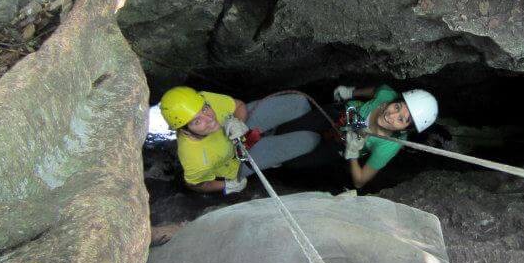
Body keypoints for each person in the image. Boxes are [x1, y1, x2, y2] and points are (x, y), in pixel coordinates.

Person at [158, 87, 320, 195]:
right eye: (197, 122)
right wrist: (226, 186)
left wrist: (238, 122)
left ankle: (273, 132)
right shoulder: (194, 158)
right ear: (184, 130)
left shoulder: (203, 99)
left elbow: (239, 105)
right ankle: (273, 140)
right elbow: (195, 184)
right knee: (310, 141)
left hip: (238, 125)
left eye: (205, 109)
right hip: (237, 160)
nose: (209, 118)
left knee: (300, 104)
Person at [331, 84, 438, 189]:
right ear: (395, 100)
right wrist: (350, 92)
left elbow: (359, 181)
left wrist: (352, 152)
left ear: (405, 130)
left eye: (401, 119)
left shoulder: (389, 144)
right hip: (342, 112)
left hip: (340, 144)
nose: (391, 115)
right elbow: (376, 89)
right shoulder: (387, 95)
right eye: (397, 107)